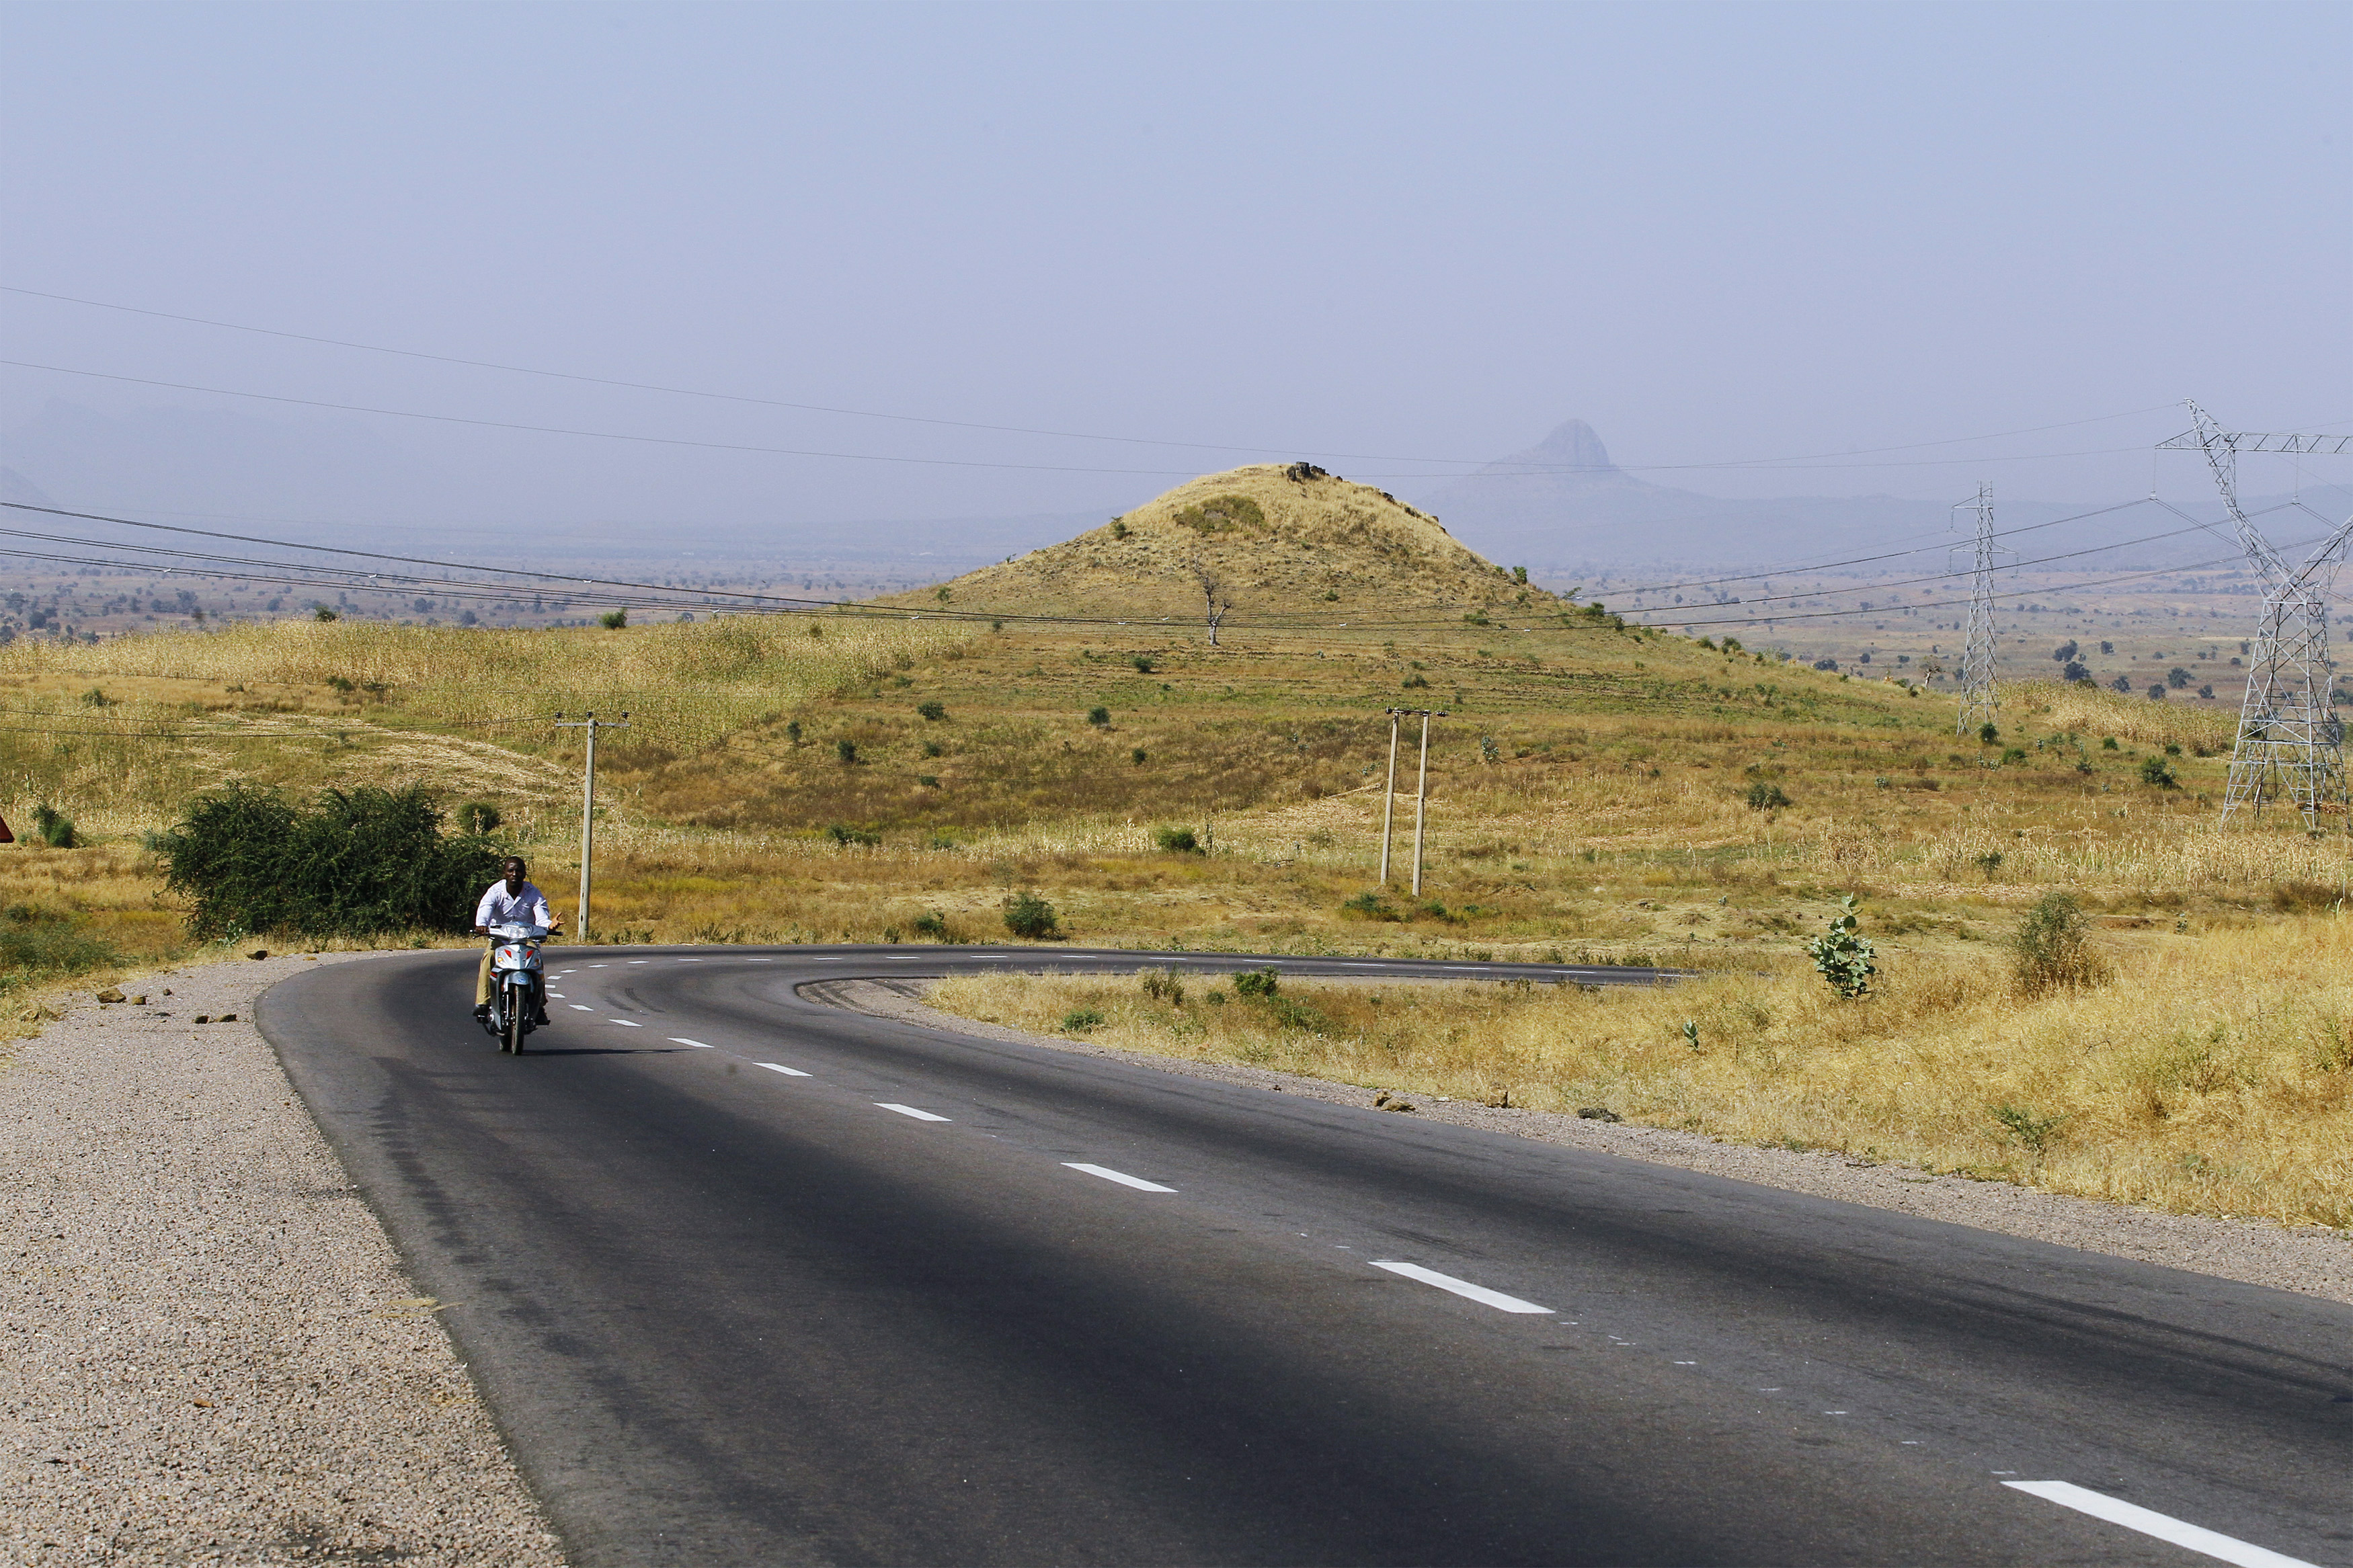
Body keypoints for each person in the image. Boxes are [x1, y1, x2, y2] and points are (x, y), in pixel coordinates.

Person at [474, 856, 559, 1024]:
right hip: (501, 938)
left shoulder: (533, 893)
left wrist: (549, 925)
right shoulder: (495, 891)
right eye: (511, 870)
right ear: (504, 873)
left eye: (518, 871)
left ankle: (539, 1006)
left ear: (524, 873)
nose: (515, 874)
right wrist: (481, 925)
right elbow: (486, 908)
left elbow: (541, 917)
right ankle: (483, 1002)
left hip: (526, 938)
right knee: (489, 957)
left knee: (536, 962)